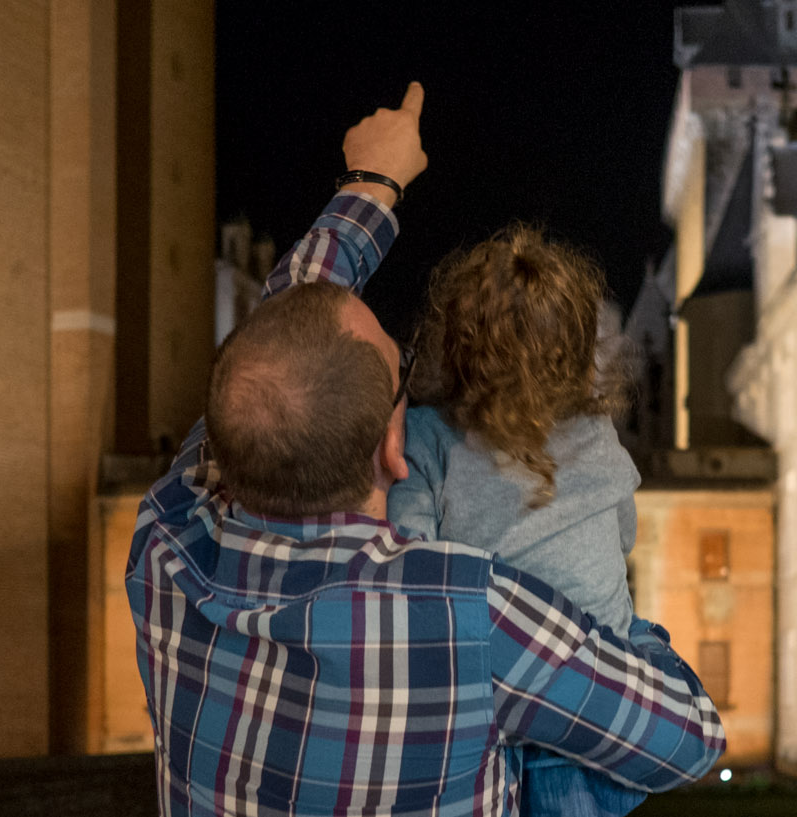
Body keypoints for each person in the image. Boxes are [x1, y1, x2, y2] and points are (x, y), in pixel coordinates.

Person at [125, 82, 725, 817]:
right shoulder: (469, 615)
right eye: (401, 368)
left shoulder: (168, 540)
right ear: (392, 444)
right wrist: (633, 634)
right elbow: (690, 735)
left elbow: (277, 346)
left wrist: (370, 188)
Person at [388, 228, 647, 817]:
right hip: (604, 716)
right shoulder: (597, 434)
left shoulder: (429, 437)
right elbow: (622, 537)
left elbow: (406, 556)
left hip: (501, 727)